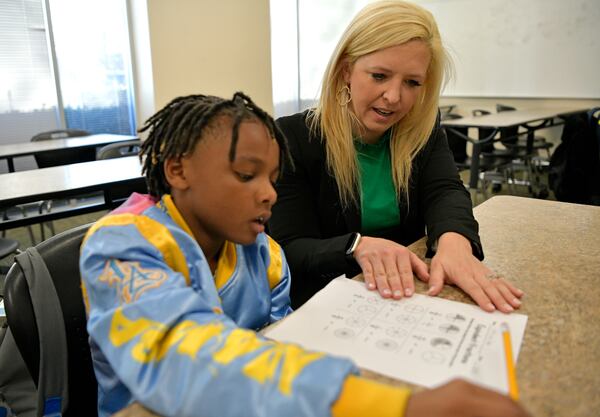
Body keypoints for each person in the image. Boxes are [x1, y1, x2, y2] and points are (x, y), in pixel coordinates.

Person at [80, 92, 529, 417]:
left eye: (273, 179)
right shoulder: (121, 245)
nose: (268, 195)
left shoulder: (264, 254)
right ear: (177, 169)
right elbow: (186, 357)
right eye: (245, 175)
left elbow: (282, 339)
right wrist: (391, 404)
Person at [269, 0, 525, 312]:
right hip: (325, 303)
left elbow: (445, 191)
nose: (393, 97)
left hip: (406, 299)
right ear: (346, 70)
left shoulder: (423, 129)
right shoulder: (293, 137)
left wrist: (454, 241)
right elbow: (290, 248)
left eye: (412, 82)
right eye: (379, 76)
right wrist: (355, 247)